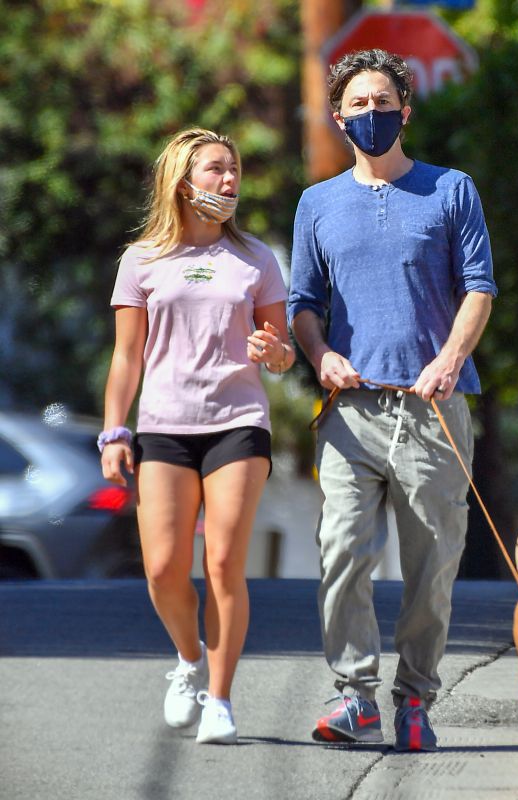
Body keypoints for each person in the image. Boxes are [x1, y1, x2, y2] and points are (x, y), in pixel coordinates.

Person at [288, 49, 496, 751]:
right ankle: (354, 697)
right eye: (357, 104)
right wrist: (320, 355)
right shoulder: (316, 203)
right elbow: (302, 303)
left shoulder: (450, 190)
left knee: (431, 563)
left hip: (433, 408)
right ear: (336, 116)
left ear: (404, 110)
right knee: (342, 549)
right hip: (350, 413)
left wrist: (448, 359)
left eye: (383, 103)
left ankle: (414, 699)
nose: (371, 114)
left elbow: (478, 286)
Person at [99, 127, 294, 745]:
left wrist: (274, 351)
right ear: (183, 181)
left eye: (234, 170)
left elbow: (283, 353)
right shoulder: (142, 260)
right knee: (161, 569)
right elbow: (126, 357)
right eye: (216, 169)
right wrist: (114, 431)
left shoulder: (257, 259)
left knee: (222, 564)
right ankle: (187, 660)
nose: (229, 180)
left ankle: (220, 695)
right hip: (163, 427)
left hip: (238, 423)